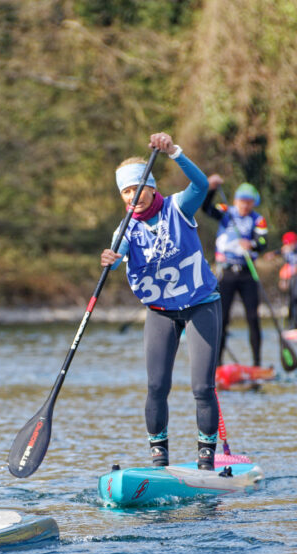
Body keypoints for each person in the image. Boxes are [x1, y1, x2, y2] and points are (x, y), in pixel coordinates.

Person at [101, 132, 221, 470]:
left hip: (200, 304)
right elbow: (117, 252)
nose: (133, 196)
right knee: (156, 386)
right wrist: (110, 258)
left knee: (202, 387)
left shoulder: (178, 207)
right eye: (126, 191)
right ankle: (159, 460)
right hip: (160, 312)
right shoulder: (126, 228)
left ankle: (206, 458)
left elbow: (201, 185)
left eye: (138, 187)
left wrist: (175, 152)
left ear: (152, 187)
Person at [201, 177, 269, 366]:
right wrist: (211, 189)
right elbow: (206, 208)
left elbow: (263, 242)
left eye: (249, 202)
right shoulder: (226, 212)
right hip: (226, 273)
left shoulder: (258, 220)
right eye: (242, 201)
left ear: (253, 203)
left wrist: (252, 244)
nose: (245, 205)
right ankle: (218, 364)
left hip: (247, 273)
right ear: (235, 200)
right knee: (222, 319)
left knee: (253, 318)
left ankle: (257, 363)